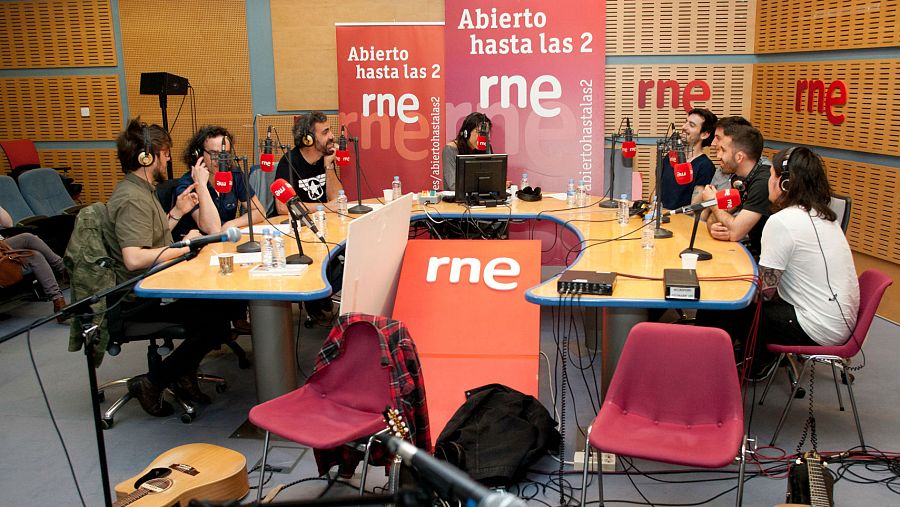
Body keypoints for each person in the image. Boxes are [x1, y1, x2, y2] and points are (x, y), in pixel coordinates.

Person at [102, 118, 236, 416]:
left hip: (155, 285)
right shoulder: (132, 199)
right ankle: (152, 382)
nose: (167, 159)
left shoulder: (141, 190)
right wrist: (182, 246)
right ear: (146, 157)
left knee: (227, 306)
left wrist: (176, 213)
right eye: (163, 153)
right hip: (137, 299)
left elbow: (149, 236)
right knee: (215, 320)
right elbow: (134, 258)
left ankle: (182, 373)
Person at [752, 146, 859, 371]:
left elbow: (764, 294)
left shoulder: (782, 222)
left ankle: (751, 368)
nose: (768, 182)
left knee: (737, 310)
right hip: (841, 324)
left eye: (771, 175)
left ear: (785, 184)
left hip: (816, 328)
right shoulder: (825, 216)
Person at [172, 126, 266, 241]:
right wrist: (201, 186)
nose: (220, 160)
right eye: (214, 154)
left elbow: (260, 212)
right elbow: (213, 229)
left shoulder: (234, 174)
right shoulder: (187, 184)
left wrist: (231, 223)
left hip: (225, 241)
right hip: (199, 247)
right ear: (199, 155)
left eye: (224, 154)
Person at [700, 117, 771, 259]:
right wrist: (714, 227)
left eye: (723, 150)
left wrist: (714, 203)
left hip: (763, 261)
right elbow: (714, 219)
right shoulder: (738, 178)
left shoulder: (763, 181)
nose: (718, 155)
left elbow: (735, 232)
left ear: (739, 157)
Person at [0, 206, 67, 321]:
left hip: (2, 246)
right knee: (28, 238)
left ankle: (58, 302)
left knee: (34, 255)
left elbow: (8, 224)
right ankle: (64, 268)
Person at [274, 111, 343, 211]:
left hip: (320, 219)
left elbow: (337, 200)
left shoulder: (325, 157)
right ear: (308, 140)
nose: (331, 136)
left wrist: (329, 165)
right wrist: (325, 207)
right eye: (325, 132)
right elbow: (283, 207)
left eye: (330, 130)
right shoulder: (289, 162)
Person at [659, 108, 717, 210]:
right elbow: (657, 190)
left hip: (680, 222)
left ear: (704, 134)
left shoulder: (705, 166)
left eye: (691, 125)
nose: (684, 127)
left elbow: (694, 207)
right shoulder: (669, 157)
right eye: (686, 122)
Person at [442, 112, 493, 190]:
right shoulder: (450, 149)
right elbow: (453, 185)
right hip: (456, 201)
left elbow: (490, 178)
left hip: (481, 198)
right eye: (479, 132)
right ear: (466, 132)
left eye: (486, 133)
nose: (483, 137)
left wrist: (498, 184)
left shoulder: (486, 147)